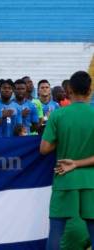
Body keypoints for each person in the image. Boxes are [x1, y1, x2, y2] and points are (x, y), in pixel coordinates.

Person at [40, 71, 94, 249]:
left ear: (69, 90)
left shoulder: (58, 115)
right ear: (90, 90)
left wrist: (63, 139)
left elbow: (44, 149)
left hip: (64, 179)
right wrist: (78, 163)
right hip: (91, 182)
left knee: (56, 233)